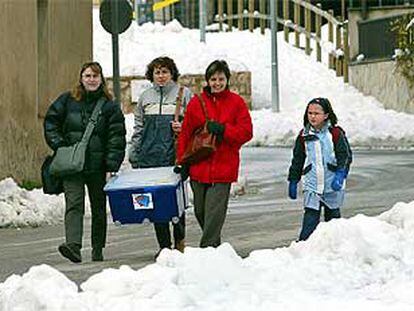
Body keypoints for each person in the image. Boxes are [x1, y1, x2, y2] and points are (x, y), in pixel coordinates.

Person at [44, 61, 126, 263]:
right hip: (72, 165)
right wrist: (60, 145)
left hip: (97, 166)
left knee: (98, 207)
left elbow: (117, 137)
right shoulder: (67, 100)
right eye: (87, 76)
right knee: (74, 204)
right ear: (81, 78)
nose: (91, 80)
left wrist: (111, 164)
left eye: (95, 76)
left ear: (101, 79)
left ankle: (97, 248)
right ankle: (73, 245)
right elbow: (50, 121)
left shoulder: (109, 107)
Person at [176, 60, 253, 248]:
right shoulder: (197, 103)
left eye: (221, 79)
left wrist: (223, 130)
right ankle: (216, 252)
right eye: (213, 79)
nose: (217, 83)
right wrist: (182, 162)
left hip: (223, 168)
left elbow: (246, 133)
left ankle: (206, 251)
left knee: (214, 214)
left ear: (227, 80)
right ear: (207, 81)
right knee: (201, 212)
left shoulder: (237, 103)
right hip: (198, 166)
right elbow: (186, 133)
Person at [129, 56, 192, 257]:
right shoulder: (145, 97)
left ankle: (179, 243)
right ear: (152, 75)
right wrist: (134, 151)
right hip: (150, 157)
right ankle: (164, 246)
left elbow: (196, 124)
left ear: (172, 73)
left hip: (175, 157)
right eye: (157, 72)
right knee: (156, 204)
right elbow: (139, 127)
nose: (161, 76)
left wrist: (183, 127)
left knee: (176, 202)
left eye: (165, 71)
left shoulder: (184, 94)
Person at [287, 97, 352, 241]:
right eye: (310, 113)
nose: (313, 116)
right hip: (312, 184)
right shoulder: (304, 136)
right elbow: (297, 160)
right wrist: (293, 180)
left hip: (332, 184)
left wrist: (341, 174)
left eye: (316, 113)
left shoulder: (335, 134)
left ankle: (335, 248)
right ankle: (304, 248)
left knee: (333, 222)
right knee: (310, 220)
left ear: (326, 115)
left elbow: (345, 155)